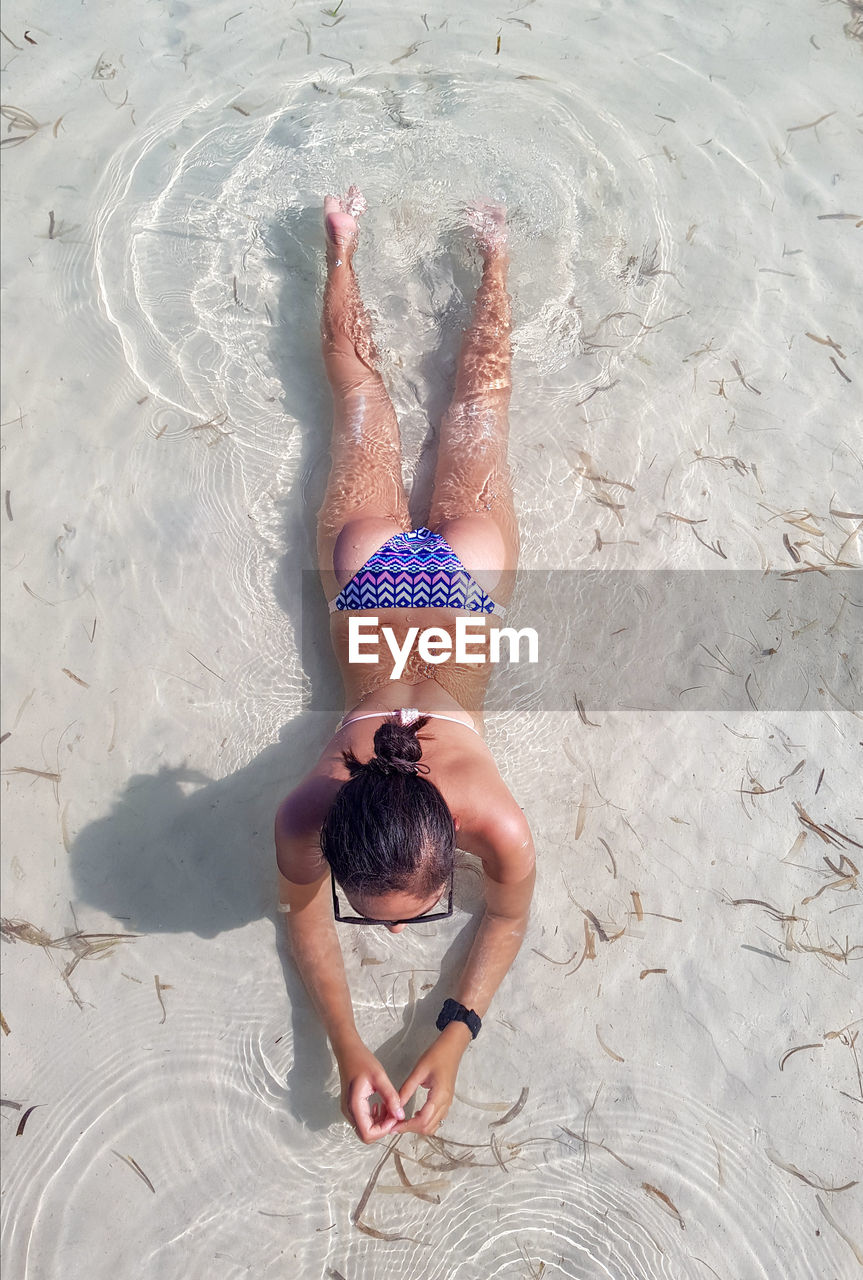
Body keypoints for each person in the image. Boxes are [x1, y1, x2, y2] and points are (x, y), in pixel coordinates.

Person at [275, 186, 536, 1145]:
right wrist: (399, 1045)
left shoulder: (492, 818)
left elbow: (304, 916)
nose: (389, 931)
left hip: (462, 578)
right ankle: (367, 247)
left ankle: (451, 253)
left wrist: (393, 1042)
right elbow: (501, 923)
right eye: (417, 915)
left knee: (464, 409)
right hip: (374, 575)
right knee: (373, 403)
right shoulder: (312, 804)